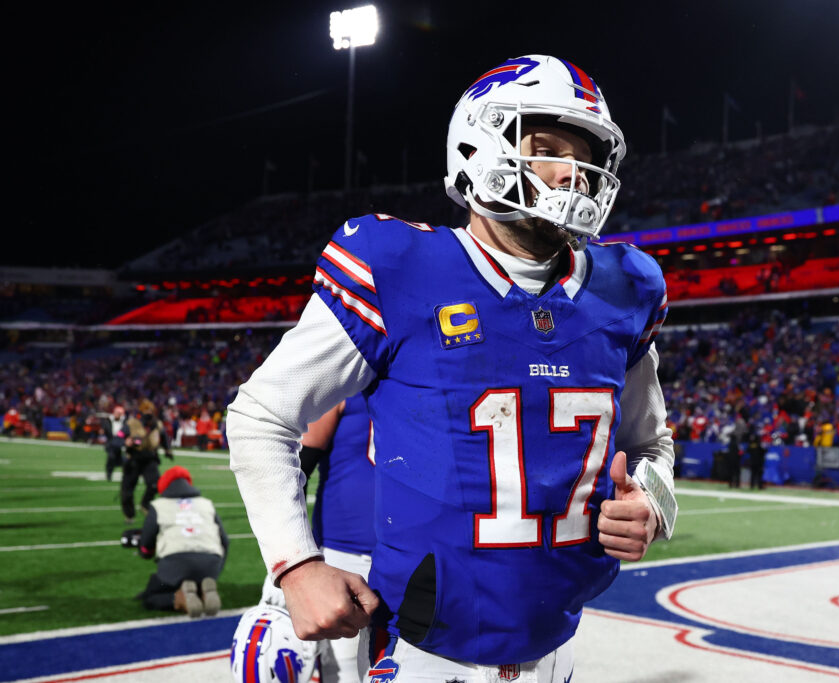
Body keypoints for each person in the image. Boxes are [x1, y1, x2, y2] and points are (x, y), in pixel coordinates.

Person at [228, 54, 677, 682]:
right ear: (480, 144)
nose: (574, 177)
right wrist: (296, 567)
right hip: (423, 652)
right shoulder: (400, 264)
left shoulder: (626, 288)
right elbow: (261, 415)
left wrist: (656, 504)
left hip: (559, 650)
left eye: (586, 159)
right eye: (548, 147)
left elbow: (649, 443)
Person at [232, 395, 376, 683]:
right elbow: (299, 466)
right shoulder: (349, 375)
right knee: (344, 667)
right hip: (344, 551)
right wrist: (291, 557)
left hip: (412, 552)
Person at [137, 465, 228, 616]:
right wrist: (216, 571)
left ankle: (179, 598)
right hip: (210, 562)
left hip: (175, 563)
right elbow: (225, 541)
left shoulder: (158, 506)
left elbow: (146, 543)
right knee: (196, 580)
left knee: (151, 596)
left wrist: (144, 552)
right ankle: (201, 590)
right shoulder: (206, 504)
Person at [120, 399, 173, 523]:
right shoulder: (132, 423)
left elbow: (164, 437)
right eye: (146, 409)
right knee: (127, 489)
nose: (148, 412)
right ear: (141, 410)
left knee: (155, 484)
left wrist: (167, 450)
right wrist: (124, 443)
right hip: (133, 458)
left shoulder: (157, 424)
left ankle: (145, 503)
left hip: (150, 457)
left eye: (150, 409)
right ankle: (129, 514)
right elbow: (120, 436)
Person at [101, 404, 127, 482]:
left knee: (125, 461)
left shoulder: (124, 422)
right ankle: (109, 475)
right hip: (112, 445)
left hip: (121, 445)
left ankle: (125, 476)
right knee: (111, 459)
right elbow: (106, 431)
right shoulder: (108, 421)